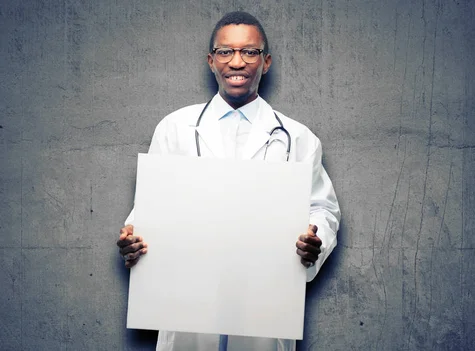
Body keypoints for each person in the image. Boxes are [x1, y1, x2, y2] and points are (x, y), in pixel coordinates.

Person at [117, 11, 341, 351]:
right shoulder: (175, 128)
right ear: (211, 60)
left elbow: (322, 209)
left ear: (266, 62)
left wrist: (315, 241)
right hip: (187, 299)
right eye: (226, 52)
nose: (237, 62)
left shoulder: (299, 138)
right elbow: (151, 204)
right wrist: (134, 237)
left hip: (264, 302)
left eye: (249, 52)